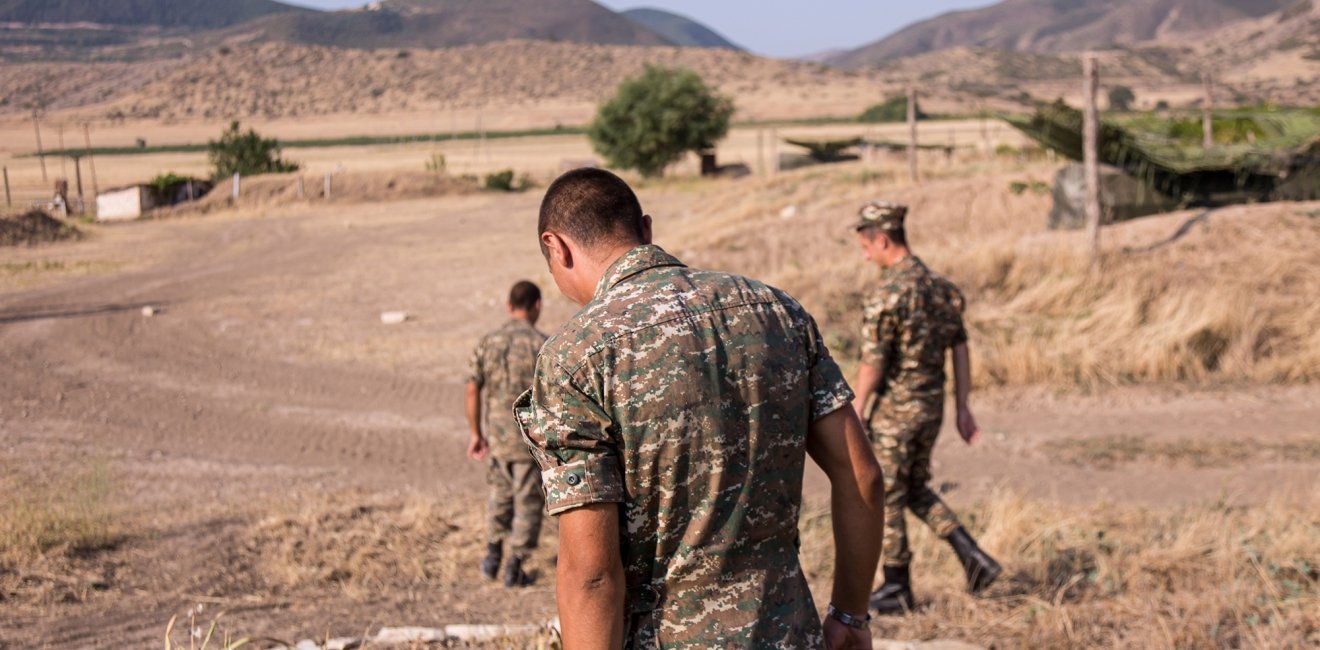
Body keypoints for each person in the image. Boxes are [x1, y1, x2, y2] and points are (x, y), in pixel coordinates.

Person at [516, 168, 886, 649]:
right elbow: (863, 477)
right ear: (646, 230)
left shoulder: (576, 356)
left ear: (557, 248)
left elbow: (592, 574)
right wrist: (851, 616)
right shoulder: (778, 311)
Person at [850, 201, 1002, 615]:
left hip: (896, 412)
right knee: (914, 487)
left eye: (866, 246)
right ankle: (974, 558)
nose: (865, 255)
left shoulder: (887, 292)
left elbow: (872, 362)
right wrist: (963, 407)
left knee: (887, 493)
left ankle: (897, 585)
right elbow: (961, 348)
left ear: (882, 240)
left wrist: (856, 410)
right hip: (931, 408)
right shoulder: (941, 287)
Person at [465, 280, 548, 588]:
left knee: (499, 496)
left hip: (498, 440)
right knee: (527, 502)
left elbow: (473, 388)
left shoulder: (489, 342)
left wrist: (476, 432)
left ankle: (492, 555)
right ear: (537, 305)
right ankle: (515, 566)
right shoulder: (543, 345)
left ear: (508, 305)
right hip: (529, 440)